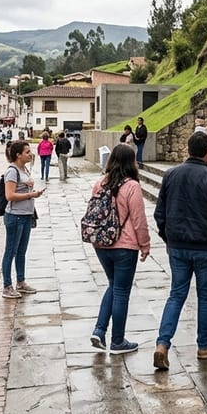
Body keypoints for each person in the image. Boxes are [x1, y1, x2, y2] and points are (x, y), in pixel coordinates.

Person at [152, 132, 207, 370]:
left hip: (178, 245)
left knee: (176, 294)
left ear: (187, 149)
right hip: (204, 247)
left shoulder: (171, 175)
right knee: (205, 296)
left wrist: (167, 236)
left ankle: (162, 344)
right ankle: (204, 344)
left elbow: (160, 213)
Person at [88, 144, 150, 354]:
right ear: (131, 162)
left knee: (113, 285)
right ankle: (117, 340)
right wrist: (145, 244)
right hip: (124, 245)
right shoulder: (131, 186)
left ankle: (99, 330)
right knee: (122, 291)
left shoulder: (100, 183)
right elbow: (138, 218)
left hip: (101, 243)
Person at [1, 141, 44, 299]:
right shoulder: (12, 171)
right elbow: (9, 195)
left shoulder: (24, 168)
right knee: (10, 251)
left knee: (21, 252)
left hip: (26, 215)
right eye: (27, 152)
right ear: (18, 155)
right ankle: (7, 285)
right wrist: (30, 195)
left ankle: (21, 281)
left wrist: (29, 188)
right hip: (15, 216)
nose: (30, 154)